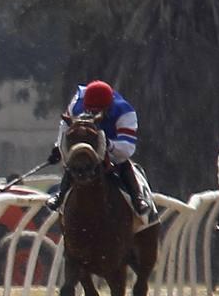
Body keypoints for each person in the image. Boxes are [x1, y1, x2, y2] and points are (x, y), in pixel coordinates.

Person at [45, 80, 149, 216]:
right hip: (84, 144)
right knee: (75, 161)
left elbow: (127, 149)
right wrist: (59, 147)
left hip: (113, 148)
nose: (92, 114)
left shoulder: (124, 112)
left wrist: (108, 144)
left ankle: (137, 198)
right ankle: (60, 194)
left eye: (96, 111)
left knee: (122, 162)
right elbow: (65, 127)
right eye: (89, 109)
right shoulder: (77, 103)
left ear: (108, 106)